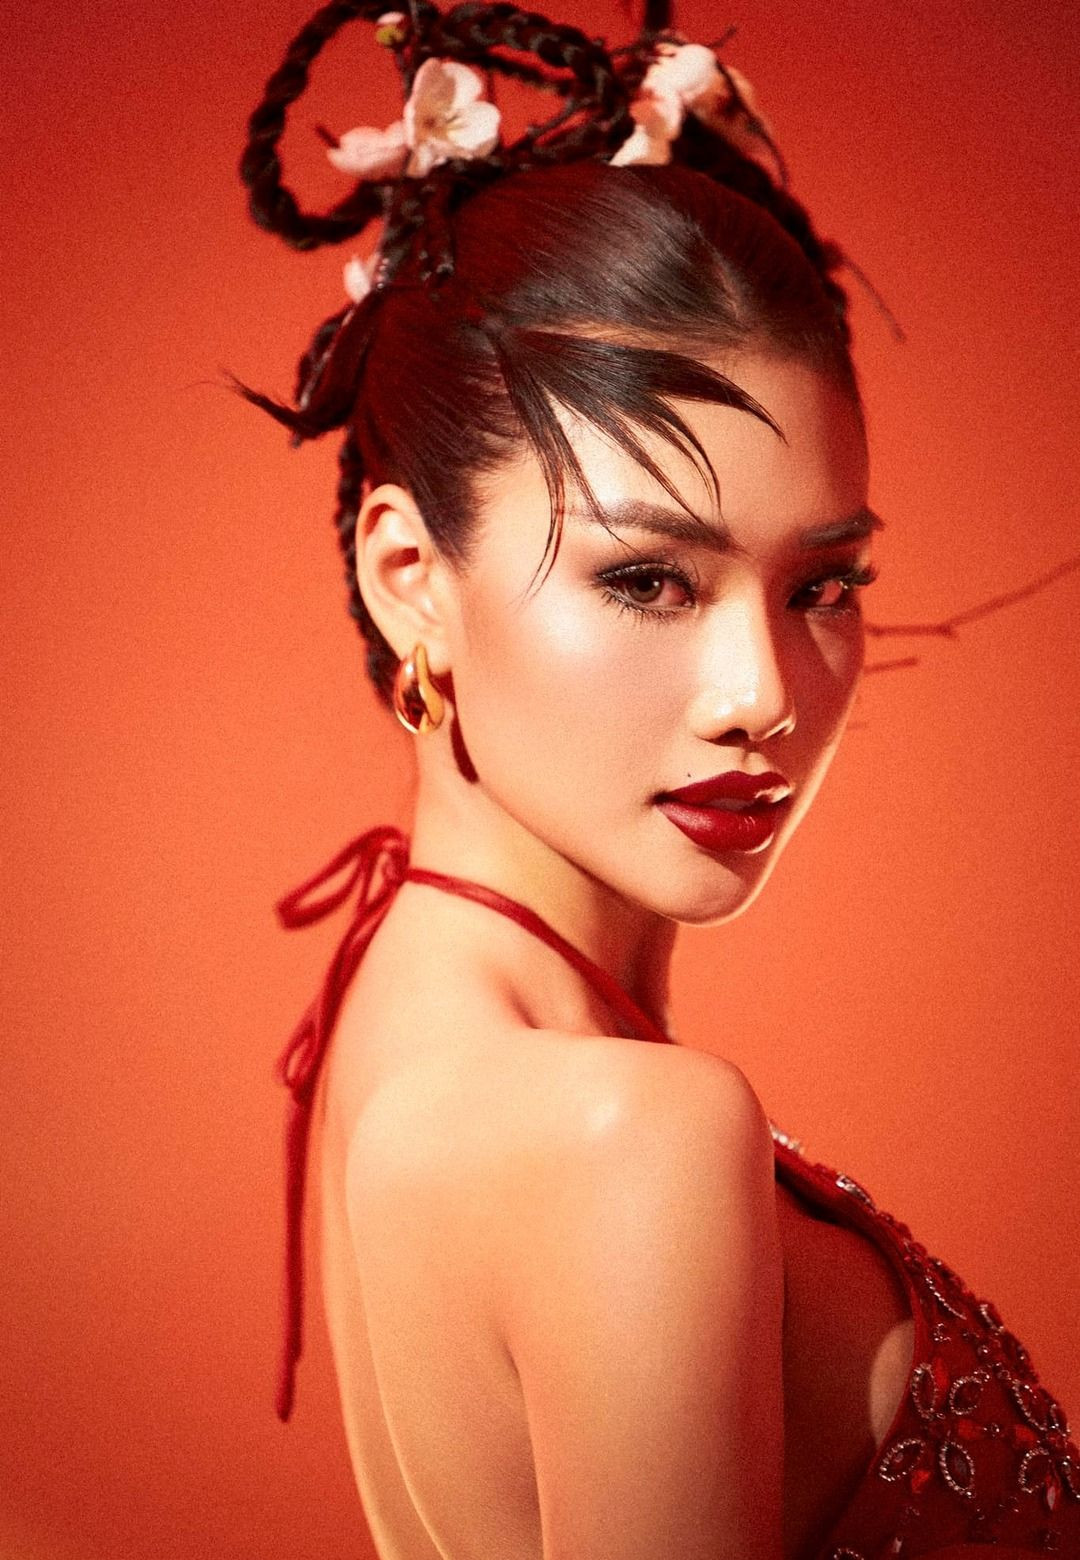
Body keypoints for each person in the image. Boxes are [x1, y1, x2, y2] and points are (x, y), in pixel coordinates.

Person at [239, 1, 1080, 1554]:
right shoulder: (630, 1141)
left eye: (823, 585)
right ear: (412, 576)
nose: (762, 696)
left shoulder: (407, 1012)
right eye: (647, 580)